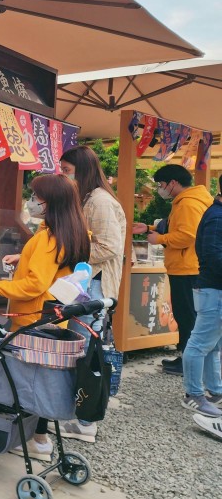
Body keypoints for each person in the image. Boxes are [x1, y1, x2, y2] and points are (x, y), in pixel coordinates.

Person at [0, 174, 90, 461]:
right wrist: (23, 257)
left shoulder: (47, 239)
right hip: (53, 318)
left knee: (29, 383)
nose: (31, 201)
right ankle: (39, 438)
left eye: (35, 196)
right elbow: (51, 269)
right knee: (43, 380)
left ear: (48, 202)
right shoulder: (71, 232)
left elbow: (34, 285)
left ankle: (34, 440)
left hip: (32, 319)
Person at [58, 145, 127, 442]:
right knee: (81, 350)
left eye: (67, 170)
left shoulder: (98, 201)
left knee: (84, 353)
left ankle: (84, 421)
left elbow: (108, 246)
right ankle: (79, 417)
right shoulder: (87, 197)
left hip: (95, 287)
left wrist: (71, 255)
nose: (64, 176)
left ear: (81, 170)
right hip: (88, 284)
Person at [132, 164, 213, 375]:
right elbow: (176, 227)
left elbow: (188, 236)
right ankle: (188, 359)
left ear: (173, 183)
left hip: (187, 269)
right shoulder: (190, 201)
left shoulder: (188, 204)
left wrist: (161, 239)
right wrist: (150, 228)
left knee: (187, 317)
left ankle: (189, 363)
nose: (160, 189)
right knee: (188, 316)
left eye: (161, 185)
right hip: (187, 267)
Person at [183, 174, 222, 418]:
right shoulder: (217, 217)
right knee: (199, 344)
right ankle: (193, 395)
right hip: (213, 289)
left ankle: (215, 391)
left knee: (212, 345)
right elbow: (211, 255)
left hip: (212, 288)